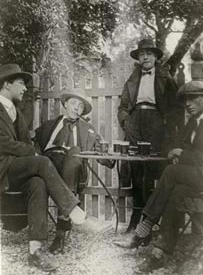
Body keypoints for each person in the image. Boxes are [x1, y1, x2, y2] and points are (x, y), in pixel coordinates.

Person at [0, 63, 87, 272]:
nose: (24, 88)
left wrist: (29, 150)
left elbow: (26, 143)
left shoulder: (16, 113)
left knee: (38, 183)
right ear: (6, 84)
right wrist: (31, 153)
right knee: (42, 161)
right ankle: (72, 208)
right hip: (2, 167)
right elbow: (2, 142)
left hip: (12, 166)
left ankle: (35, 251)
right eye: (21, 83)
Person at [115, 80, 203, 273]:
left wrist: (180, 154)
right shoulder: (192, 122)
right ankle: (158, 254)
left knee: (172, 173)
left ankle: (144, 227)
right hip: (195, 180)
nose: (187, 104)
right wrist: (174, 151)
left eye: (192, 98)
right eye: (185, 100)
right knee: (176, 193)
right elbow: (172, 143)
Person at [35, 91, 114, 254]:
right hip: (48, 164)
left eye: (80, 106)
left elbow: (101, 152)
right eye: (73, 103)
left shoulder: (88, 130)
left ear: (82, 111)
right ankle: (66, 224)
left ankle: (60, 235)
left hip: (72, 166)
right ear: (65, 104)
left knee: (75, 151)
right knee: (50, 161)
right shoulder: (49, 125)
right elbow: (34, 142)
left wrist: (111, 158)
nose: (76, 108)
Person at [117, 38, 178, 232]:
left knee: (153, 168)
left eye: (149, 53)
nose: (145, 57)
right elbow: (123, 106)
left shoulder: (166, 79)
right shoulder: (132, 80)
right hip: (136, 121)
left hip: (156, 123)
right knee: (136, 168)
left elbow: (175, 108)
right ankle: (136, 215)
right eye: (142, 54)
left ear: (155, 57)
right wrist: (126, 121)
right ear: (138, 58)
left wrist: (166, 125)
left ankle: (148, 220)